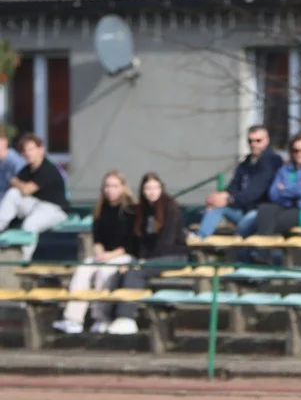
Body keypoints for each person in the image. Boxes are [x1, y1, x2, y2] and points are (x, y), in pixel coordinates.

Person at [53, 171, 138, 334]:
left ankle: (101, 317)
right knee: (83, 269)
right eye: (107, 186)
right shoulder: (101, 210)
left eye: (114, 186)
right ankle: (73, 319)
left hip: (123, 255)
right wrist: (99, 253)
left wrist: (110, 256)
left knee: (105, 271)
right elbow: (97, 238)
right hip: (104, 253)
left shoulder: (131, 210)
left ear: (123, 187)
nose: (110, 190)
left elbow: (131, 242)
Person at [105, 173, 189, 335]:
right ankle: (108, 317)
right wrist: (138, 259)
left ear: (161, 189)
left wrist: (143, 262)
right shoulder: (143, 211)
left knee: (136, 272)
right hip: (153, 258)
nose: (151, 192)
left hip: (174, 255)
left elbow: (167, 240)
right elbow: (142, 241)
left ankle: (126, 318)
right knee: (121, 271)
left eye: (155, 188)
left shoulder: (169, 207)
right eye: (147, 188)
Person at [197, 125, 283, 238]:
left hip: (262, 212)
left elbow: (255, 192)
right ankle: (199, 240)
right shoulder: (245, 163)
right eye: (250, 141)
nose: (254, 144)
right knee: (214, 209)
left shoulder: (272, 161)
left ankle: (241, 253)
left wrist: (229, 199)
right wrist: (218, 198)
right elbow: (234, 186)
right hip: (243, 209)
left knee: (243, 227)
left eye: (258, 141)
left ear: (267, 140)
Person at [0, 134, 69, 260]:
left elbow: (26, 189)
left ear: (41, 149)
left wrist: (16, 182)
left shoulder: (47, 168)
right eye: (25, 151)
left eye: (31, 149)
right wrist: (17, 184)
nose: (28, 153)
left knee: (29, 225)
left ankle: (23, 260)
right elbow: (17, 189)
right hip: (36, 206)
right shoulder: (27, 169)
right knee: (13, 194)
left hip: (55, 210)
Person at [255, 132, 301, 236]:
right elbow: (273, 193)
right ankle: (264, 248)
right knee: (264, 209)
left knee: (270, 220)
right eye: (295, 151)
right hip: (287, 208)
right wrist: (293, 190)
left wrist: (284, 189)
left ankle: (265, 248)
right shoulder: (285, 170)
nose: (299, 154)